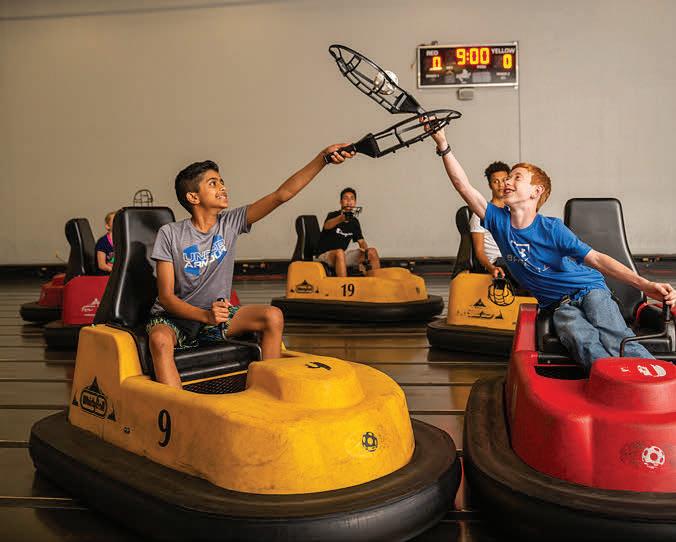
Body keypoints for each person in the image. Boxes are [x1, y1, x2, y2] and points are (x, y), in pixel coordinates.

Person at [428, 124, 675, 369]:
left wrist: (645, 285)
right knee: (582, 340)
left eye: (516, 177)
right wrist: (443, 145)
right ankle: (611, 378)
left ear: (536, 191)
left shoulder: (552, 229)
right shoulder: (497, 221)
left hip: (589, 290)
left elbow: (598, 260)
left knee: (612, 333)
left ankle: (657, 377)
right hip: (558, 305)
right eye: (507, 177)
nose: (507, 182)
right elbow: (463, 186)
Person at [147, 145, 354, 388]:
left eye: (222, 182)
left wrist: (323, 158)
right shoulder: (170, 233)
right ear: (193, 197)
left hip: (217, 318)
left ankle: (268, 393)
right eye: (213, 183)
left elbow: (282, 195)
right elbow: (166, 297)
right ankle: (174, 407)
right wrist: (204, 315)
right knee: (159, 340)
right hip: (176, 319)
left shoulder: (230, 223)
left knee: (272, 316)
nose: (222, 187)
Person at [316, 187, 381, 277]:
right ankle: (344, 284)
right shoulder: (333, 215)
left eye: (352, 198)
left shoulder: (354, 222)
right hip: (325, 255)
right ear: (341, 202)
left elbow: (361, 241)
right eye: (345, 198)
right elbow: (327, 226)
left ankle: (376, 282)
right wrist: (341, 218)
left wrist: (365, 255)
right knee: (339, 252)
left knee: (372, 252)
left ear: (355, 202)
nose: (349, 201)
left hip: (342, 255)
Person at [470, 162, 509, 278]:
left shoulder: (514, 211)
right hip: (497, 262)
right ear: (490, 185)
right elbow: (479, 251)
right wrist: (491, 268)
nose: (501, 185)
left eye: (504, 180)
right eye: (496, 181)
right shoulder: (481, 213)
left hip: (514, 259)